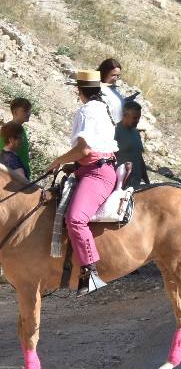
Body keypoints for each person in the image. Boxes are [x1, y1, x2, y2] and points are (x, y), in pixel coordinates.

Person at [46, 71, 120, 296]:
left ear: (79, 91)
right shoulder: (104, 108)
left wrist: (59, 160)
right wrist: (75, 165)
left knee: (75, 219)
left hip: (96, 174)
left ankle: (90, 272)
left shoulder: (86, 111)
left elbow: (84, 150)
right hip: (93, 168)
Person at [113, 101, 150, 187]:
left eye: (139, 118)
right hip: (119, 183)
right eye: (135, 118)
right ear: (125, 115)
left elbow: (139, 158)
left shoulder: (136, 133)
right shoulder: (114, 131)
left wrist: (147, 181)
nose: (137, 121)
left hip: (135, 183)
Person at [97, 58, 125, 125]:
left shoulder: (114, 89)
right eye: (113, 75)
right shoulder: (98, 90)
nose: (116, 78)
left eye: (118, 76)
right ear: (104, 73)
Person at [8, 98, 32, 171]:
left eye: (29, 110)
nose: (29, 113)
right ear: (15, 112)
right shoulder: (9, 130)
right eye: (25, 110)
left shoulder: (22, 130)